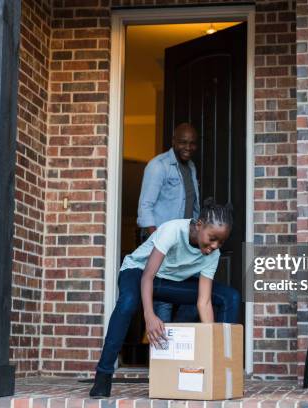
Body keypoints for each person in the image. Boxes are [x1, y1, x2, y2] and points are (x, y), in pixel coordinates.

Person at [89, 199, 240, 398]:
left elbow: (203, 301)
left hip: (169, 283)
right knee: (127, 303)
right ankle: (103, 374)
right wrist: (149, 316)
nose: (215, 246)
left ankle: (220, 371)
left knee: (230, 296)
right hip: (138, 272)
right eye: (212, 238)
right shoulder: (173, 230)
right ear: (199, 225)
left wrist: (210, 343)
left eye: (220, 242)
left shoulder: (212, 255)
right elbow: (147, 277)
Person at [137, 123, 200, 322]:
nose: (188, 147)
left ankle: (176, 341)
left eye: (192, 143)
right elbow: (145, 207)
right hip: (164, 245)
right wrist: (159, 241)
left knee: (196, 296)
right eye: (183, 142)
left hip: (187, 245)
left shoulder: (191, 167)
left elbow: (193, 205)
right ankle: (163, 350)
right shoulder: (158, 166)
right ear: (173, 142)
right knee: (163, 302)